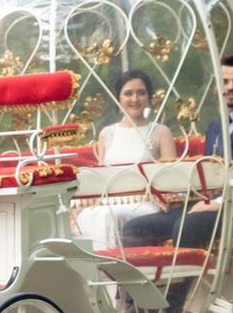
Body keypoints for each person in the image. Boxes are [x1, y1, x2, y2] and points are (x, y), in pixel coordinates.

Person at [120, 53, 233, 313]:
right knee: (136, 226)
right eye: (225, 81)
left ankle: (172, 308)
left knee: (187, 225)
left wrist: (218, 203)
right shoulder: (216, 126)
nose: (231, 87)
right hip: (206, 204)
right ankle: (139, 302)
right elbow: (206, 174)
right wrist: (182, 197)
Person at [76, 70, 177, 251]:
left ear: (148, 97)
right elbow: (101, 177)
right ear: (119, 97)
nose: (135, 99)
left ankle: (114, 269)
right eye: (128, 93)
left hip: (146, 203)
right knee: (88, 215)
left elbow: (173, 179)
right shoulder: (107, 133)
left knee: (107, 216)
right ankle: (97, 270)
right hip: (112, 201)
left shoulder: (161, 132)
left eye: (141, 93)